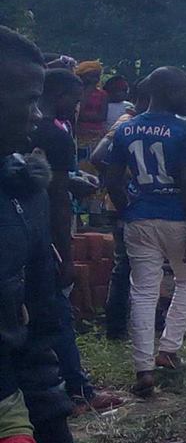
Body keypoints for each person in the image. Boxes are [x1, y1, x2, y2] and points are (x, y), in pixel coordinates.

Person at [0, 27, 82, 443]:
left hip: (3, 413)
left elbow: (38, 322)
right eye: (23, 98)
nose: (37, 113)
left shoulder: (20, 191)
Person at [98, 67, 186, 397]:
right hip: (176, 215)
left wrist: (127, 208)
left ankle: (143, 369)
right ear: (166, 91)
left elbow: (112, 177)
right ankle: (169, 348)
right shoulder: (185, 130)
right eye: (184, 90)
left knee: (143, 290)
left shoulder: (126, 129)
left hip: (139, 217)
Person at [31, 68, 119, 412]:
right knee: (58, 313)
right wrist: (65, 256)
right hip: (46, 236)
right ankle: (78, 389)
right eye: (76, 100)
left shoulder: (24, 128)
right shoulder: (55, 133)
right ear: (61, 96)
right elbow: (54, 197)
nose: (79, 108)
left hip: (23, 233)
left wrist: (69, 179)